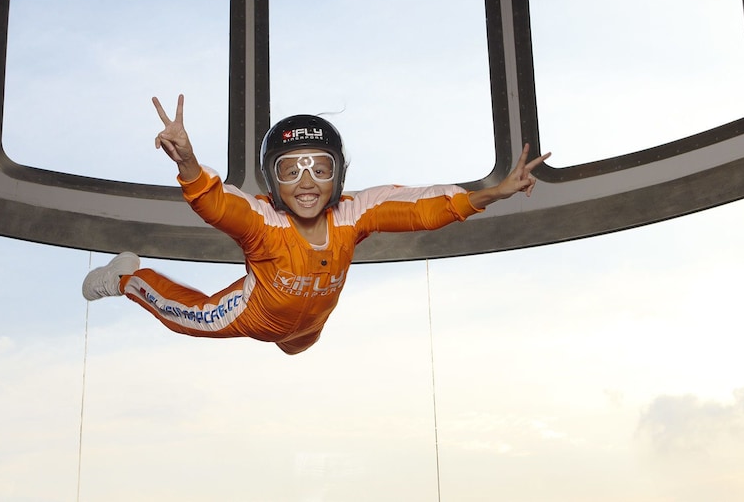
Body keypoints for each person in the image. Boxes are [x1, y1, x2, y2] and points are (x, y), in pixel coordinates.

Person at [82, 94, 550, 354]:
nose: (306, 183)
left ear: (338, 176)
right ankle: (125, 277)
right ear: (273, 181)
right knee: (189, 318)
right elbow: (217, 204)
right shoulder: (264, 222)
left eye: (319, 168)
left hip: (310, 325)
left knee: (297, 347)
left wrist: (493, 192)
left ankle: (296, 339)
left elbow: (424, 208)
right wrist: (187, 162)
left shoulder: (353, 213)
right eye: (291, 170)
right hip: (254, 317)